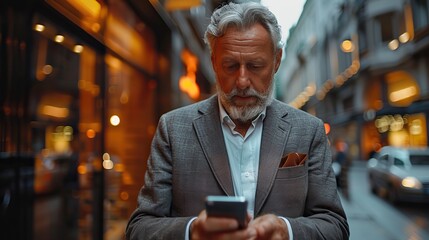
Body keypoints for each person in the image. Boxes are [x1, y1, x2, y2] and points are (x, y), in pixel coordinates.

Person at [126, 2, 349, 239]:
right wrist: (193, 231)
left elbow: (335, 225)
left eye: (255, 66)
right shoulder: (172, 129)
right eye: (231, 66)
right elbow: (140, 227)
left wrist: (287, 230)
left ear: (277, 61)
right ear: (213, 62)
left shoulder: (309, 130)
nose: (242, 81)